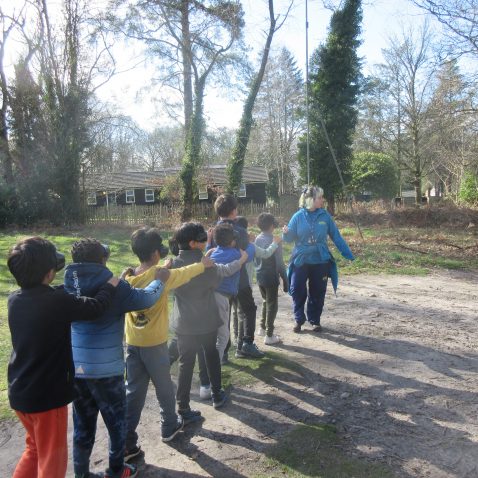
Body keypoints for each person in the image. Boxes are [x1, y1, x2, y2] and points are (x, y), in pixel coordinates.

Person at [6, 236, 118, 478]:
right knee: (52, 462)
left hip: (20, 393)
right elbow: (96, 307)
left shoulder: (15, 299)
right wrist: (111, 284)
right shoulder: (57, 301)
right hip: (46, 399)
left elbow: (50, 297)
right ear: (49, 272)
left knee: (34, 450)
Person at [64, 239, 169, 478]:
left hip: (78, 370)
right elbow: (145, 299)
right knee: (116, 426)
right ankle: (116, 470)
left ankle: (81, 473)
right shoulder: (115, 286)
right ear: (103, 258)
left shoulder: (68, 284)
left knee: (83, 427)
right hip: (107, 372)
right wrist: (159, 281)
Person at [123, 226, 214, 461]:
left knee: (133, 392)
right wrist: (203, 265)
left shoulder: (128, 276)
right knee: (165, 387)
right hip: (155, 344)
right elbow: (184, 274)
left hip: (133, 343)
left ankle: (126, 439)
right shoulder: (161, 277)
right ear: (155, 253)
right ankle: (169, 426)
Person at [169, 222, 248, 418]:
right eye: (203, 238)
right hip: (206, 319)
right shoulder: (206, 263)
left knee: (185, 364)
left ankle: (183, 408)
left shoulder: (173, 264)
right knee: (211, 355)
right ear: (193, 243)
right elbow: (215, 281)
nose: (206, 241)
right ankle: (217, 395)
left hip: (184, 323)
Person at [283, 186, 355, 333]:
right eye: (320, 198)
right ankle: (299, 319)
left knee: (318, 291)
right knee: (296, 289)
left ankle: (315, 320)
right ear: (311, 200)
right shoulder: (297, 216)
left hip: (320, 259)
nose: (322, 200)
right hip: (301, 259)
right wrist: (286, 233)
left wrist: (347, 253)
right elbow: (289, 238)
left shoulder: (325, 216)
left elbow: (336, 236)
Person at [213, 194, 264, 359]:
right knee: (248, 309)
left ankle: (224, 350)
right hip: (239, 279)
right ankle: (246, 344)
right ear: (234, 211)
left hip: (219, 280)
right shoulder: (240, 231)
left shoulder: (214, 230)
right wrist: (251, 245)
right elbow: (246, 256)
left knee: (224, 315)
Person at [255, 212, 288, 345]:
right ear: (271, 225)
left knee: (265, 301)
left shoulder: (257, 238)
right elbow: (279, 263)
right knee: (272, 305)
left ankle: (262, 328)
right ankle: (269, 335)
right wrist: (285, 279)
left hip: (259, 276)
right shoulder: (275, 241)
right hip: (271, 277)